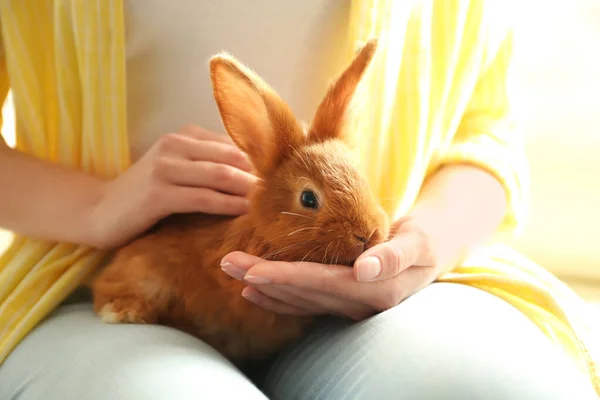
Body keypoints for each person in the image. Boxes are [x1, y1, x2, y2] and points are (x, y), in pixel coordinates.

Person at [0, 0, 598, 399]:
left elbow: (485, 129)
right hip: (98, 282)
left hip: (389, 298)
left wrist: (424, 244)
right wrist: (96, 206)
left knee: (491, 386)